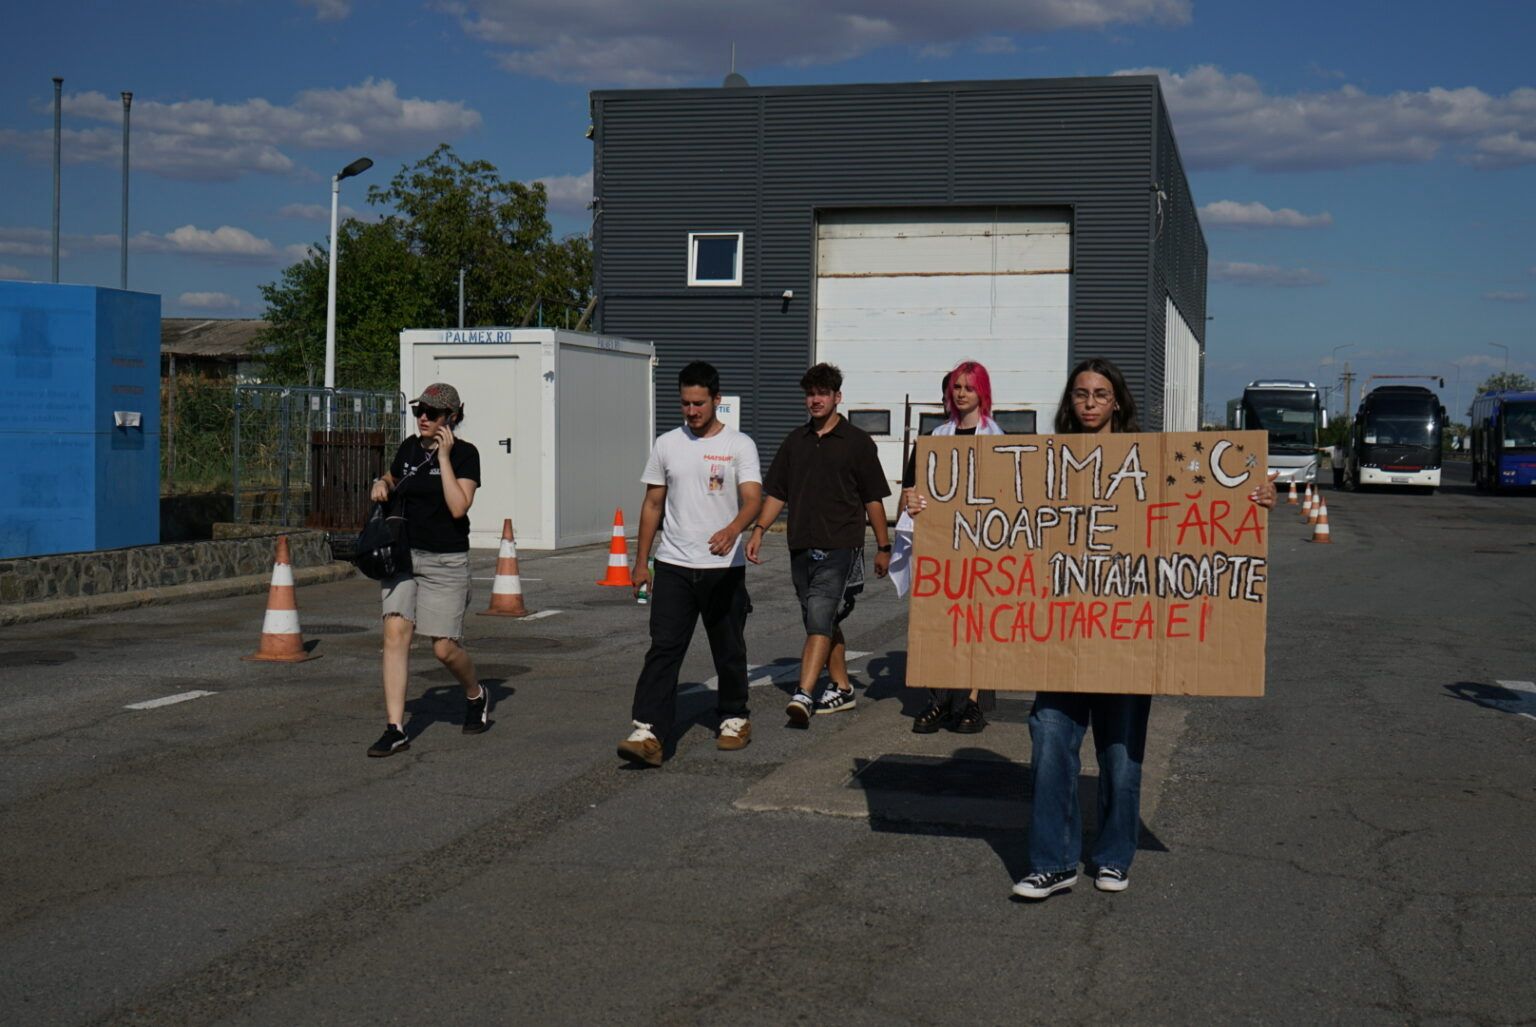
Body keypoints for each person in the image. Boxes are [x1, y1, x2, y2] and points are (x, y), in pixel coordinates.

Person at [1006, 358, 1277, 898]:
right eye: (1081, 394)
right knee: (1050, 743)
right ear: (1070, 402)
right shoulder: (1043, 464)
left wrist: (1257, 496)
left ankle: (1111, 856)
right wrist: (925, 507)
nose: (1089, 403)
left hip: (1127, 638)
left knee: (1121, 760)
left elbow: (1205, 507)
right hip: (1061, 638)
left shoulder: (1150, 464)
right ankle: (1053, 862)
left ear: (1117, 403)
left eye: (1100, 394)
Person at [617, 362, 763, 767]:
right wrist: (641, 562)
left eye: (699, 403)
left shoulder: (739, 445)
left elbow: (753, 497)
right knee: (664, 647)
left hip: (723, 568)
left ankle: (734, 717)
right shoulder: (667, 444)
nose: (692, 411)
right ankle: (649, 731)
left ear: (716, 400)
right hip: (674, 564)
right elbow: (652, 504)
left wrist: (734, 528)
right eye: (685, 403)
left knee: (728, 647)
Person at [746, 363, 892, 725]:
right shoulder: (795, 442)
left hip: (842, 545)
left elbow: (874, 498)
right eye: (810, 394)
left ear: (837, 397)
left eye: (822, 393)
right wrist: (760, 529)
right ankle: (841, 687)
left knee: (820, 615)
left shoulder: (857, 443)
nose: (815, 400)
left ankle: (804, 693)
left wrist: (884, 547)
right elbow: (777, 492)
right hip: (801, 545)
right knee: (820, 618)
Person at [365, 382, 485, 757]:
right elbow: (394, 477)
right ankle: (395, 728)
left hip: (445, 559)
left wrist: (445, 459)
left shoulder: (466, 455)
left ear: (452, 417)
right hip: (404, 555)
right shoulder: (408, 448)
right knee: (395, 634)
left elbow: (458, 507)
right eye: (420, 411)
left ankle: (475, 694)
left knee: (444, 649)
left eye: (432, 413)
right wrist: (380, 484)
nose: (423, 418)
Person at [900, 361, 1002, 734]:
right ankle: (939, 698)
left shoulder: (997, 438)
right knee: (939, 624)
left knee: (976, 626)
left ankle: (971, 702)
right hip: (940, 547)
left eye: (969, 388)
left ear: (982, 393)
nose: (961, 393)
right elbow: (912, 487)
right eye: (956, 387)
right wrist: (910, 505)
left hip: (981, 547)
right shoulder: (934, 438)